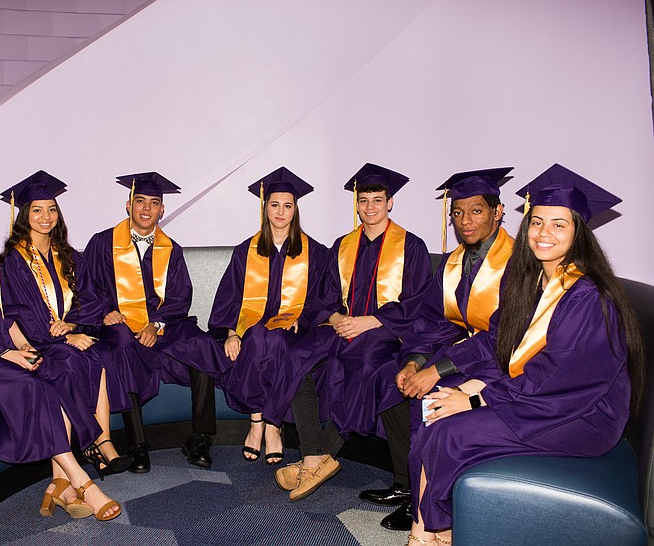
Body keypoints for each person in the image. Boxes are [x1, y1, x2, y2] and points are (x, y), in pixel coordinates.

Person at [407, 164, 644, 545]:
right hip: (534, 395)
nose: (543, 233)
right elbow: (498, 340)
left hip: (580, 414)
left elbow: (557, 378)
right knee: (434, 411)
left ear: (578, 233)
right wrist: (457, 377)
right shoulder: (532, 281)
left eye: (558, 224)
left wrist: (475, 397)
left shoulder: (587, 297)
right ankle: (434, 530)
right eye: (536, 223)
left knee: (451, 431)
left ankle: (428, 534)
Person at [266, 163, 433, 501]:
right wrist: (334, 316)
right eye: (364, 200)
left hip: (384, 331)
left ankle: (321, 457)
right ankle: (313, 454)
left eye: (377, 199)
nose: (370, 207)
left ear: (390, 203)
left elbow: (419, 302)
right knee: (298, 356)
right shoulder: (342, 245)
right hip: (342, 327)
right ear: (356, 204)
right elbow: (321, 298)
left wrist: (371, 321)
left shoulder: (411, 246)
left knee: (365, 365)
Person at [360, 167, 515, 530]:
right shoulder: (452, 262)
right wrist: (414, 361)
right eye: (458, 213)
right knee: (390, 379)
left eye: (476, 211)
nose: (465, 221)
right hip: (464, 351)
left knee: (432, 396)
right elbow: (432, 319)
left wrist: (435, 370)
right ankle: (407, 483)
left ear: (498, 211)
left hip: (500, 360)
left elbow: (503, 335)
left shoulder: (519, 263)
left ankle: (430, 505)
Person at [0, 170, 128, 522]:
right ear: (24, 216)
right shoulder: (13, 261)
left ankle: (83, 458)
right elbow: (16, 312)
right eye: (37, 210)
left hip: (63, 335)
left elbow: (90, 298)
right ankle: (92, 448)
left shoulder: (66, 254)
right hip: (37, 342)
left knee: (97, 352)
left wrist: (72, 325)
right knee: (70, 359)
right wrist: (62, 336)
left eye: (51, 209)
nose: (45, 217)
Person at [81, 172, 227, 472]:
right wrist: (103, 312)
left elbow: (180, 296)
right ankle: (138, 443)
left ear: (162, 210)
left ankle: (200, 437)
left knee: (200, 344)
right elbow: (87, 288)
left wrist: (156, 324)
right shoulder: (102, 243)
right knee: (121, 342)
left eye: (154, 203)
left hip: (163, 327)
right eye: (140, 201)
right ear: (128, 205)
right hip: (122, 326)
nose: (146, 209)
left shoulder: (170, 249)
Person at [209, 167, 327, 465]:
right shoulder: (244, 251)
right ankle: (262, 421)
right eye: (274, 204)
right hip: (252, 327)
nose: (280, 212)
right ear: (265, 208)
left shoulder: (314, 252)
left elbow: (322, 297)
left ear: (295, 209)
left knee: (272, 338)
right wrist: (231, 333)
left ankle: (266, 424)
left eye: (287, 205)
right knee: (260, 336)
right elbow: (229, 296)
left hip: (293, 329)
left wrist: (304, 317)